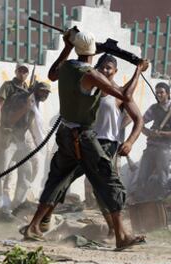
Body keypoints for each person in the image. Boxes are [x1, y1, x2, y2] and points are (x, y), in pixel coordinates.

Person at [23, 29, 149, 249]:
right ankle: (121, 236)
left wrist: (68, 46)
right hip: (85, 137)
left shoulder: (68, 67)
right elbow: (126, 96)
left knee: (58, 178)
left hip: (66, 134)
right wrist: (138, 70)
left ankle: (33, 226)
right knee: (109, 182)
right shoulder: (91, 74)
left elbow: (52, 74)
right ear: (93, 53)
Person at [0, 62, 51, 216]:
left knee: (27, 171)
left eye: (47, 93)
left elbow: (30, 121)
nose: (45, 96)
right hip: (9, 135)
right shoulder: (18, 95)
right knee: (2, 170)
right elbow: (9, 118)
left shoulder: (31, 97)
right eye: (42, 92)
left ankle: (18, 204)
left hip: (22, 138)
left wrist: (35, 138)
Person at [129, 82, 171, 204]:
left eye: (161, 92)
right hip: (151, 147)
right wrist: (148, 132)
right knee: (142, 177)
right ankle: (140, 205)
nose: (159, 94)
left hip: (164, 149)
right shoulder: (154, 108)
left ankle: (159, 204)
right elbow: (140, 123)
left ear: (168, 94)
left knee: (162, 179)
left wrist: (160, 134)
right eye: (157, 92)